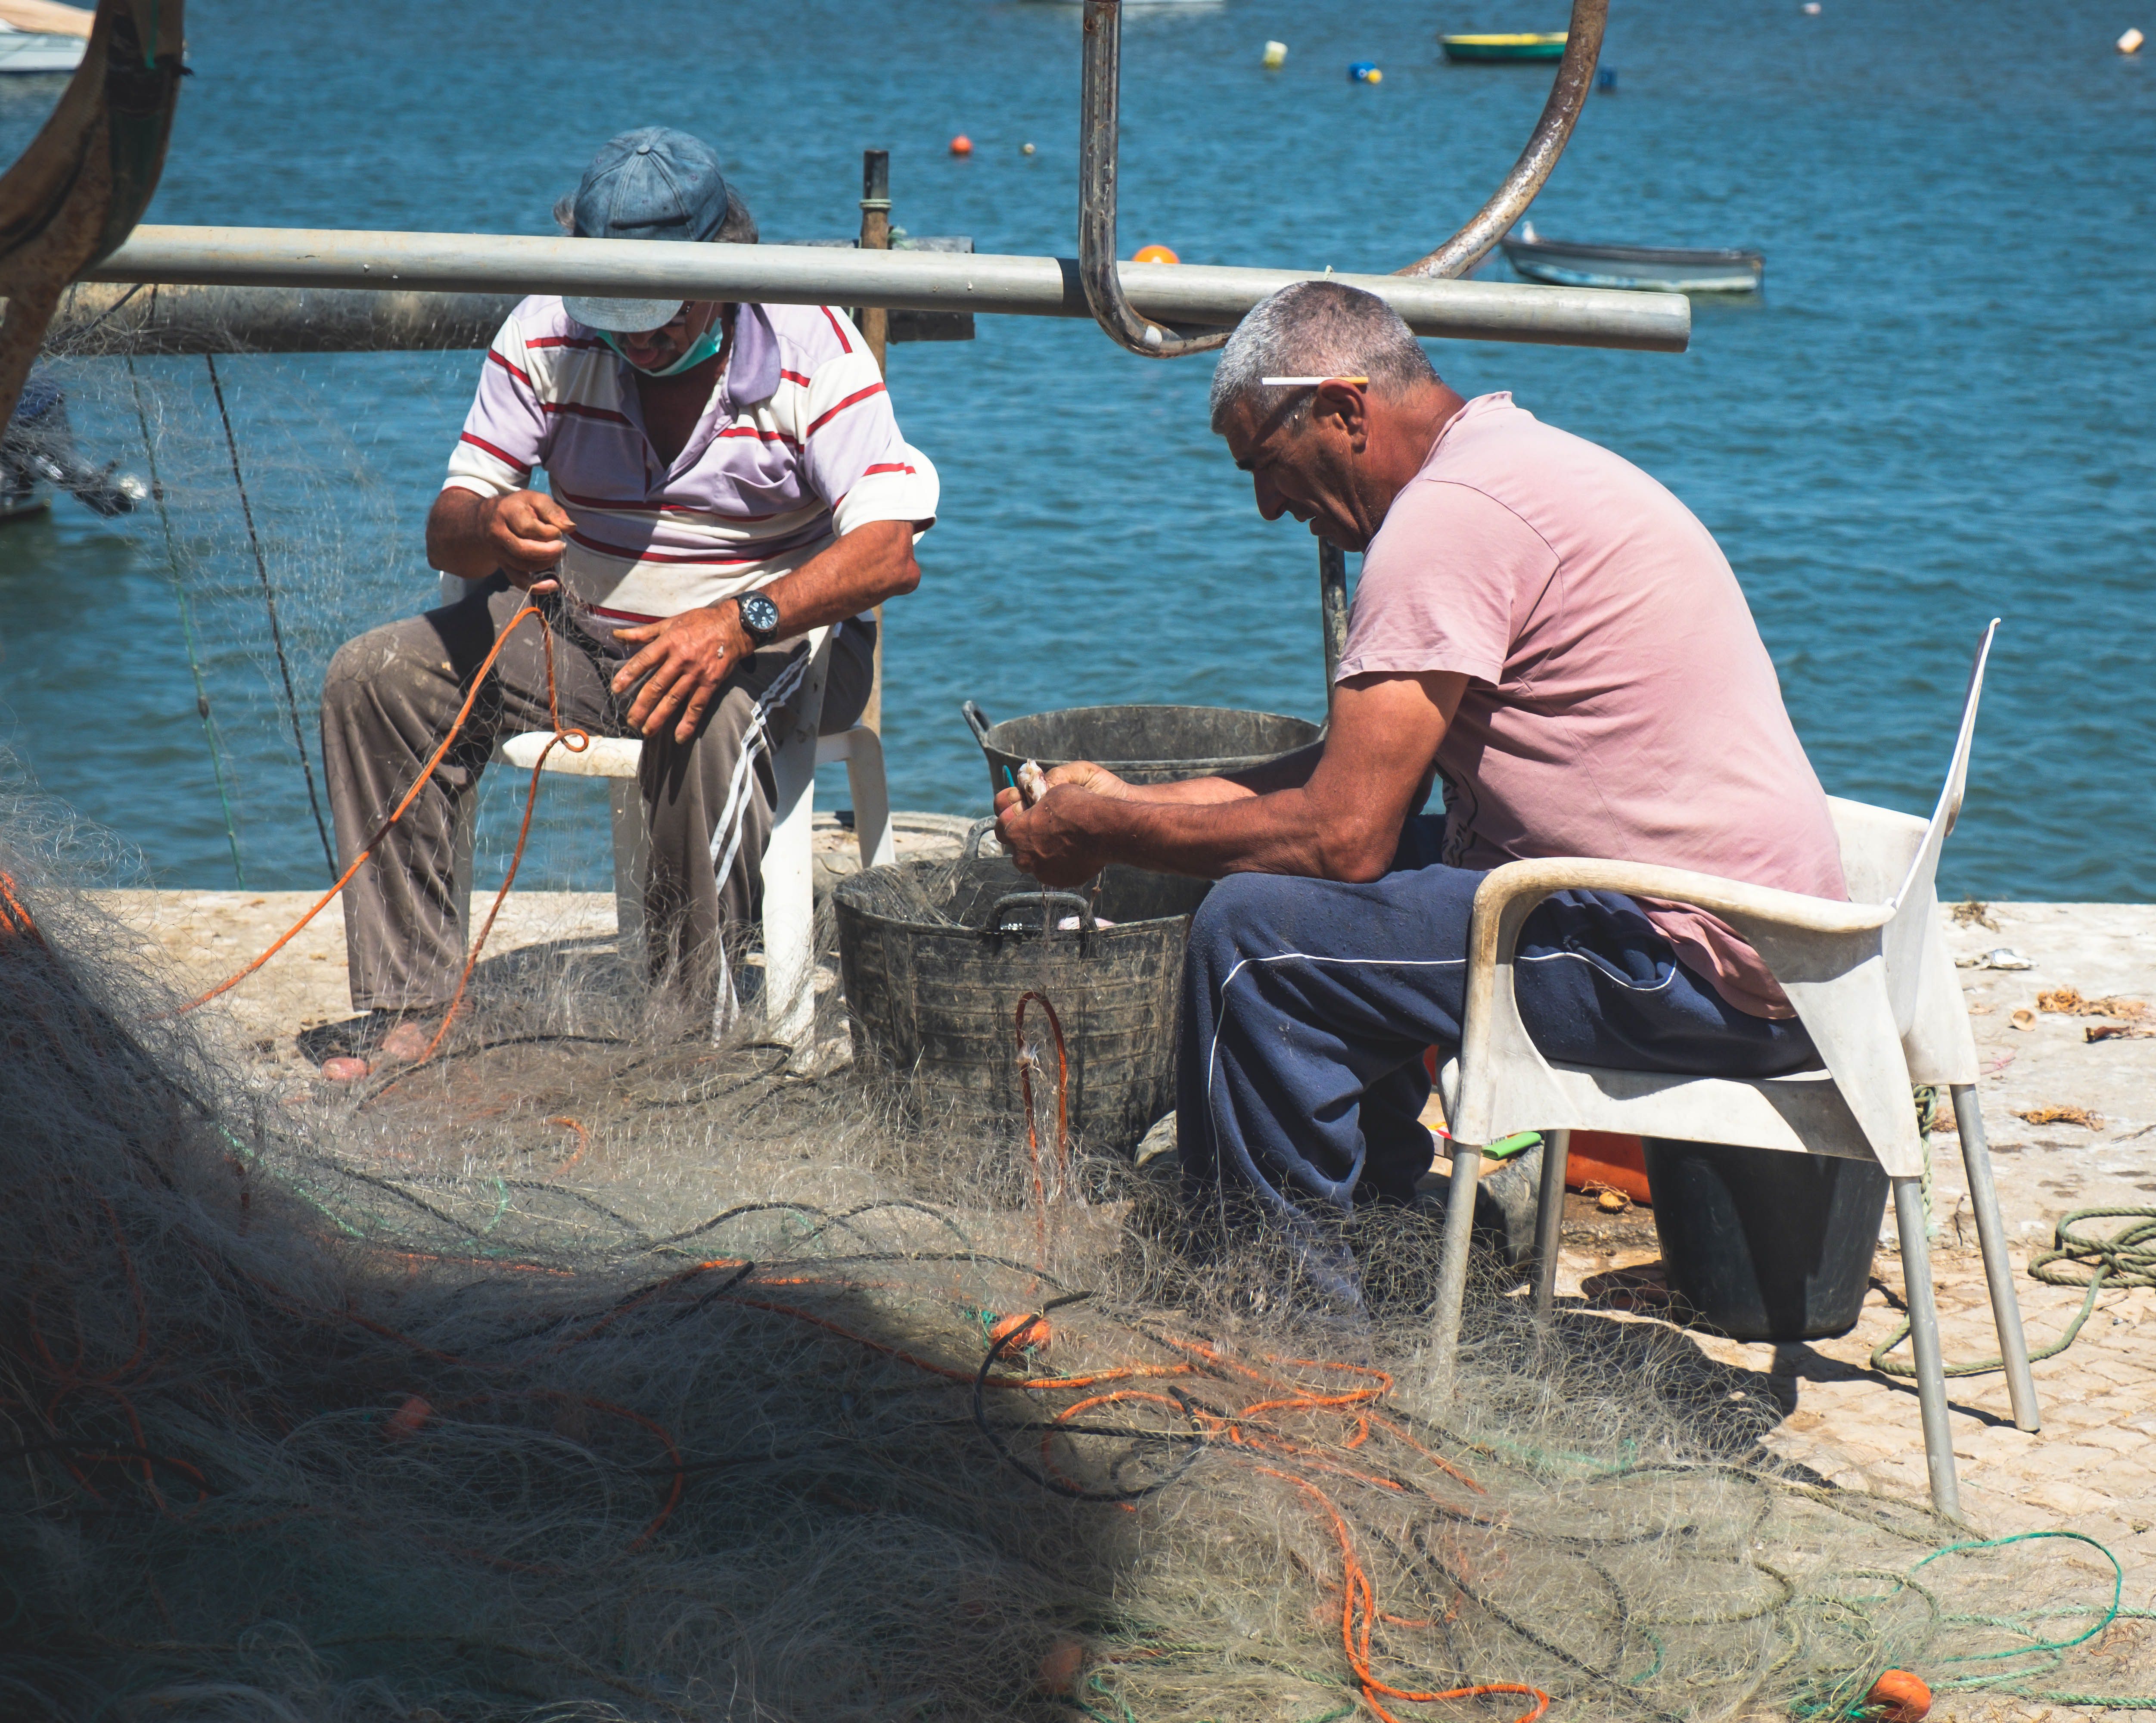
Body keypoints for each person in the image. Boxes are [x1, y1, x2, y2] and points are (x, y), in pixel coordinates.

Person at [993, 280, 1842, 1252]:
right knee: (1320, 884)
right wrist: (1129, 800)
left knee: (1253, 937)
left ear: (1344, 409)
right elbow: (1347, 782)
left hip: (1690, 967)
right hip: (1787, 952)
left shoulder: (1445, 520)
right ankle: (1379, 1215)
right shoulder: (1513, 465)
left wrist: (1105, 830)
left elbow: (1341, 836)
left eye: (1267, 465)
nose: (1269, 507)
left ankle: (1284, 1318)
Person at [319, 128, 936, 1068]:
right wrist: (493, 528)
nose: (644, 333)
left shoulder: (812, 339)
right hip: (582, 634)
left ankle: (688, 1037)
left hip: (780, 649)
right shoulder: (546, 329)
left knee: (704, 716)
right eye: (620, 307)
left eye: (667, 308)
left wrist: (736, 623)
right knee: (377, 679)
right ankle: (413, 1009)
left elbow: (889, 550)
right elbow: (447, 522)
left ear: (725, 266)